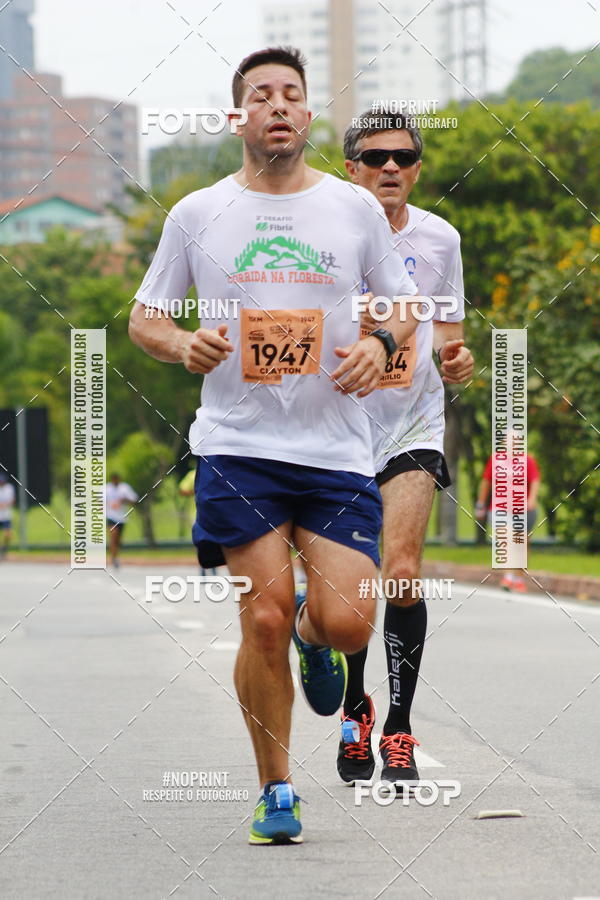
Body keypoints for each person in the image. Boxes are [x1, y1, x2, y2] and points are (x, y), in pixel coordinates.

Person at [129, 47, 423, 844]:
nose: (279, 106)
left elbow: (404, 307)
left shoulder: (353, 209)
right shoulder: (197, 213)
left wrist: (380, 345)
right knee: (258, 617)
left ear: (306, 114)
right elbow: (144, 317)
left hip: (334, 449)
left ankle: (312, 634)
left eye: (292, 94)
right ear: (241, 117)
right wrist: (181, 343)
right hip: (238, 444)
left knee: (350, 622)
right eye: (262, 95)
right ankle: (277, 789)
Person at [334, 111, 474, 790]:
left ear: (417, 168)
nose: (391, 166)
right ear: (351, 167)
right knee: (349, 590)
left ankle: (398, 726)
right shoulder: (324, 233)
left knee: (403, 571)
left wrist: (456, 358)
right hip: (334, 429)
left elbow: (448, 333)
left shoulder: (440, 238)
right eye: (375, 156)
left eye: (404, 156)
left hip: (412, 426)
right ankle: (353, 706)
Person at [475, 449, 540, 592]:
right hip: (500, 508)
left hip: (523, 509)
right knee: (506, 539)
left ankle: (519, 578)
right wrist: (480, 504)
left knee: (521, 544)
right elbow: (486, 482)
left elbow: (535, 481)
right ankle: (508, 576)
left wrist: (532, 499)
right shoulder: (496, 460)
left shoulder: (527, 460)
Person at [105, 473, 138, 568]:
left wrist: (123, 500)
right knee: (113, 536)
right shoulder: (106, 489)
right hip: (111, 516)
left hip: (122, 518)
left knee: (118, 540)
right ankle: (113, 558)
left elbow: (134, 500)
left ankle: (115, 555)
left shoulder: (124, 488)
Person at [0, 472, 16, 559]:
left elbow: (12, 500)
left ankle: (4, 551)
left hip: (6, 515)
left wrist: (5, 504)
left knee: (8, 534)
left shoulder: (9, 488)